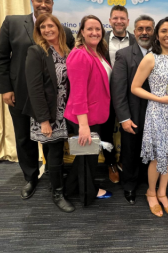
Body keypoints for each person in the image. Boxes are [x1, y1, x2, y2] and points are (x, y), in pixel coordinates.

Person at [0, 0, 75, 199]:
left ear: (52, 4)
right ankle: (30, 177)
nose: (43, 5)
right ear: (32, 0)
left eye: (47, 1)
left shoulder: (64, 31)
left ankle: (52, 173)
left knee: (51, 138)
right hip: (19, 94)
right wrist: (5, 89)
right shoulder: (12, 23)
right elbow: (1, 58)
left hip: (52, 98)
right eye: (39, 0)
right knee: (23, 138)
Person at [131, 16, 168, 217]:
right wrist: (158, 98)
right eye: (164, 31)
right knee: (157, 156)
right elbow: (135, 88)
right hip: (158, 112)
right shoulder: (150, 58)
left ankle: (163, 193)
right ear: (157, 34)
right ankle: (151, 193)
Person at [23, 13, 74, 213]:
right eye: (43, 27)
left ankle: (54, 182)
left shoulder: (68, 51)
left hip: (65, 110)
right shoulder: (36, 51)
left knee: (54, 151)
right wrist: (43, 120)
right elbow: (34, 88)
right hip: (47, 111)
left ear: (59, 28)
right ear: (39, 31)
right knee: (55, 153)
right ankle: (58, 194)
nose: (47, 30)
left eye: (51, 26)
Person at [63, 15, 113, 206]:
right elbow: (78, 93)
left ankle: (68, 188)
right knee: (87, 160)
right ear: (82, 32)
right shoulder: (80, 54)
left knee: (88, 157)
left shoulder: (96, 52)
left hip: (95, 115)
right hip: (84, 118)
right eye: (90, 29)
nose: (94, 32)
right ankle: (87, 194)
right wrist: (83, 125)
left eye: (98, 29)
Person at [111, 15, 155, 205]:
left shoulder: (163, 55)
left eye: (148, 29)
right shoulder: (125, 54)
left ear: (153, 31)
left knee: (151, 152)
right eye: (140, 29)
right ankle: (129, 185)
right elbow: (118, 90)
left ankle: (148, 181)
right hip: (133, 115)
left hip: (156, 115)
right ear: (134, 31)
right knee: (130, 152)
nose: (144, 32)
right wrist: (124, 118)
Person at [101, 5, 136, 183]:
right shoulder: (101, 39)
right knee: (106, 131)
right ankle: (111, 164)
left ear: (128, 21)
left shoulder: (136, 41)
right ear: (110, 21)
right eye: (115, 18)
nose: (119, 21)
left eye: (122, 18)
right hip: (104, 94)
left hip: (128, 95)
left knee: (128, 130)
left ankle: (124, 161)